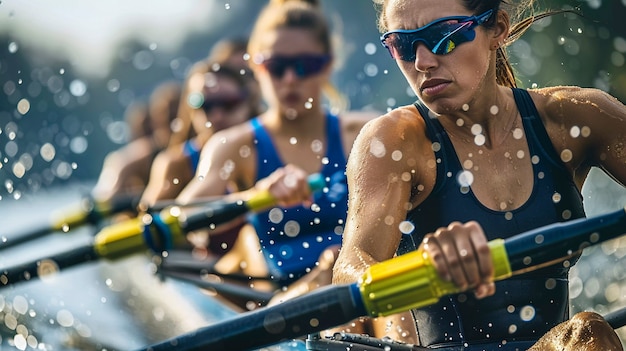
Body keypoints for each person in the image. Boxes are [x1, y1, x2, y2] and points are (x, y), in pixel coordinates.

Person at [332, 0, 626, 350]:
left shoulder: (576, 118)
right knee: (588, 333)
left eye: (444, 36)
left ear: (497, 28)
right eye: (403, 45)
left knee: (587, 333)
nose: (422, 62)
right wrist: (421, 267)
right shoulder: (394, 142)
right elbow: (349, 273)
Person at [176, 0, 377, 318]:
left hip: (364, 287)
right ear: (257, 68)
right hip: (286, 302)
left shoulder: (366, 134)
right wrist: (257, 196)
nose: (289, 80)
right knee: (331, 277)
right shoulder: (235, 145)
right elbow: (184, 222)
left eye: (304, 66)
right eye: (276, 66)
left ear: (327, 66)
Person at [91, 81, 181, 208]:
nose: (174, 125)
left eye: (177, 117)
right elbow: (103, 198)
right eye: (169, 118)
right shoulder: (130, 159)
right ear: (155, 124)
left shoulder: (195, 151)